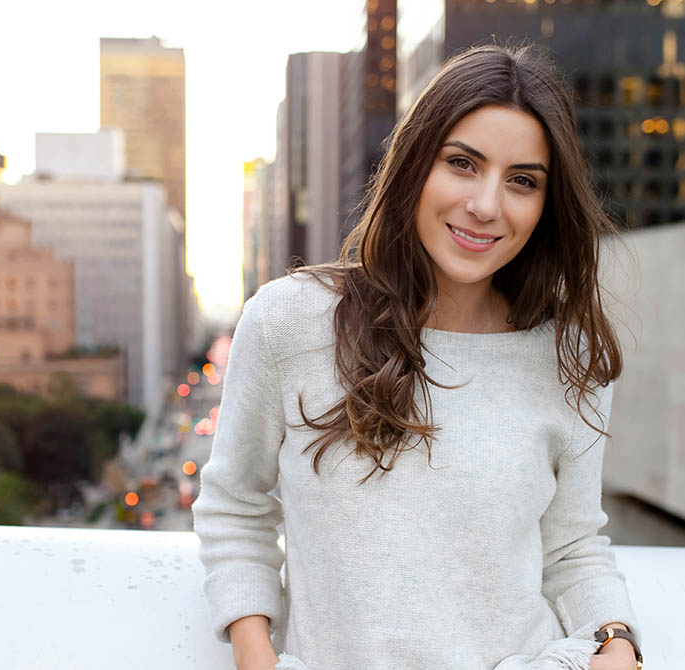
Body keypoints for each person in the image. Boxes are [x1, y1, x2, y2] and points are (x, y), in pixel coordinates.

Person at [192, 43, 643, 670]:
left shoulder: (567, 356)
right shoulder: (289, 320)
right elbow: (236, 509)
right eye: (462, 163)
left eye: (522, 181)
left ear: (546, 205)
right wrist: (257, 657)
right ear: (413, 167)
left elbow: (571, 549)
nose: (487, 205)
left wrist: (618, 642)